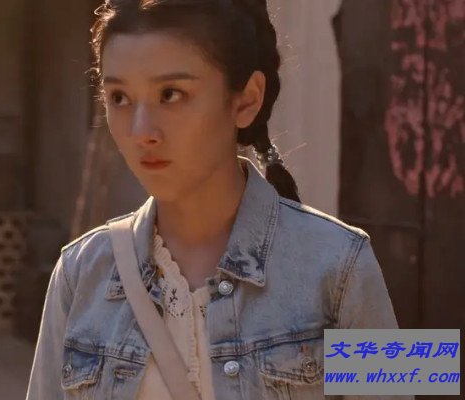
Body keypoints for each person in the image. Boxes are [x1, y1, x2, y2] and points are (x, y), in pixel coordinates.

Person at [26, 0, 410, 399]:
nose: (141, 131)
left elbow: (404, 381)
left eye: (170, 94)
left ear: (246, 100)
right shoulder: (80, 273)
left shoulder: (340, 264)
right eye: (119, 97)